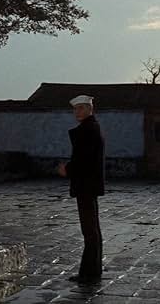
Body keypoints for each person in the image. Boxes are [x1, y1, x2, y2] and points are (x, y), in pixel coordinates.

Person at [57, 94, 105, 284]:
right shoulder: (92, 128)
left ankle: (89, 273)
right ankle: (92, 269)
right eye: (75, 109)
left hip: (86, 184)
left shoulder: (88, 130)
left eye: (81, 108)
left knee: (90, 230)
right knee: (92, 229)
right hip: (89, 184)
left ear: (89, 109)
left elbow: (83, 159)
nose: (77, 112)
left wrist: (66, 169)